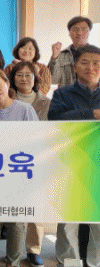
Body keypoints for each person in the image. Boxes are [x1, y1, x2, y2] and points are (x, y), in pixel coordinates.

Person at [0, 68, 38, 267]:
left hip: (19, 172)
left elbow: (36, 140)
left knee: (17, 221)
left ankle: (13, 262)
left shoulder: (25, 109)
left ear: (7, 84)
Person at [48, 44, 100, 267]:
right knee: (69, 219)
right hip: (71, 162)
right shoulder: (62, 93)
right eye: (85, 62)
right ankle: (70, 263)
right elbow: (55, 119)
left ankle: (95, 263)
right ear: (75, 66)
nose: (91, 67)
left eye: (97, 63)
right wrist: (91, 114)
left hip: (98, 163)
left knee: (98, 220)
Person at [7, 61, 49, 267]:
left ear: (35, 78)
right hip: (12, 159)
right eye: (19, 75)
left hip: (38, 158)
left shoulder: (46, 102)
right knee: (15, 208)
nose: (24, 79)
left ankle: (33, 249)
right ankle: (13, 252)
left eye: (28, 75)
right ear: (13, 79)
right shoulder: (6, 100)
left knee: (36, 207)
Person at [49, 16, 93, 88]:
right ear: (69, 33)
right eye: (75, 29)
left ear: (89, 32)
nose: (80, 33)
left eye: (84, 29)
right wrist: (54, 57)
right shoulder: (61, 55)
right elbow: (53, 80)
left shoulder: (97, 55)